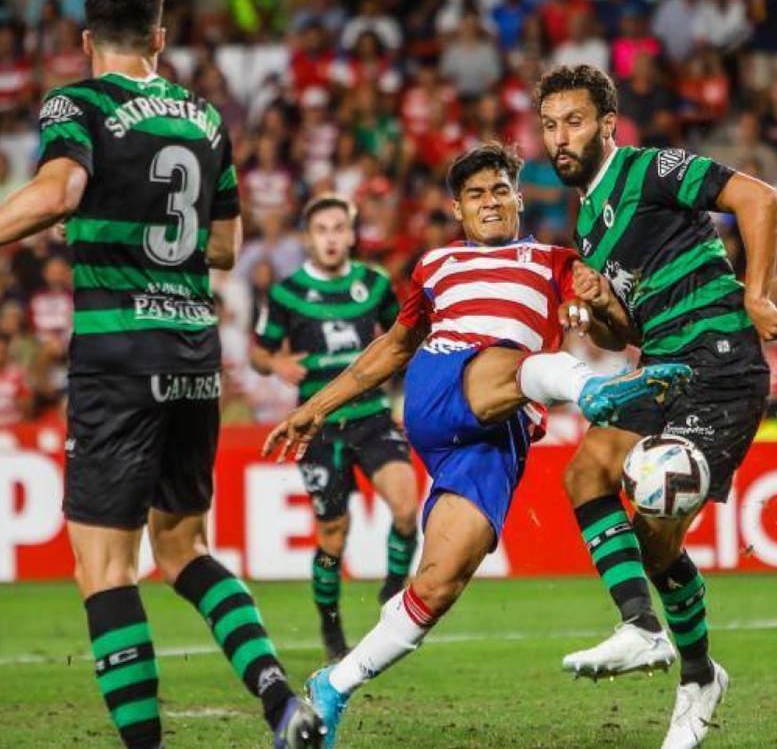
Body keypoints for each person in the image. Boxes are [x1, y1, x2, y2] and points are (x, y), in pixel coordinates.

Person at [0, 0, 324, 748]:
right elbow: (222, 247)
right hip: (194, 356)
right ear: (159, 38)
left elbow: (60, 192)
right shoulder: (204, 117)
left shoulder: (75, 104)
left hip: (119, 359)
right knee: (184, 551)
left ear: (87, 42)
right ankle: (282, 699)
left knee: (105, 570)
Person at [263, 143, 691, 748]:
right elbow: (392, 348)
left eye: (499, 191)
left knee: (436, 587)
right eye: (475, 195)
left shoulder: (556, 260)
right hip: (446, 380)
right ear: (458, 209)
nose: (489, 202)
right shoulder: (436, 264)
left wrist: (596, 302)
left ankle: (334, 684)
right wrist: (314, 407)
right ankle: (595, 392)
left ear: (518, 198)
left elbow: (617, 331)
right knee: (514, 361)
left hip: (498, 433)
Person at [534, 64, 777, 749]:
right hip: (660, 367)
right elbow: (622, 334)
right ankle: (644, 630)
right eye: (549, 126)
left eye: (572, 122)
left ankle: (696, 675)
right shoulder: (587, 223)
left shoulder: (649, 169)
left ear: (606, 125)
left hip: (721, 367)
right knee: (585, 474)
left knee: (654, 510)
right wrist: (598, 306)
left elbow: (759, 198)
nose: (559, 138)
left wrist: (754, 293)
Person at [250, 193, 421, 662]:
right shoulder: (286, 293)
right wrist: (276, 363)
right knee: (333, 534)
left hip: (372, 417)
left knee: (407, 510)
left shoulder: (375, 284)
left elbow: (404, 340)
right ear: (308, 239)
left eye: (338, 229)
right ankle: (330, 627)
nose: (330, 238)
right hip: (319, 429)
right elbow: (259, 352)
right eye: (321, 230)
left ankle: (392, 592)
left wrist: (407, 397)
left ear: (350, 235)